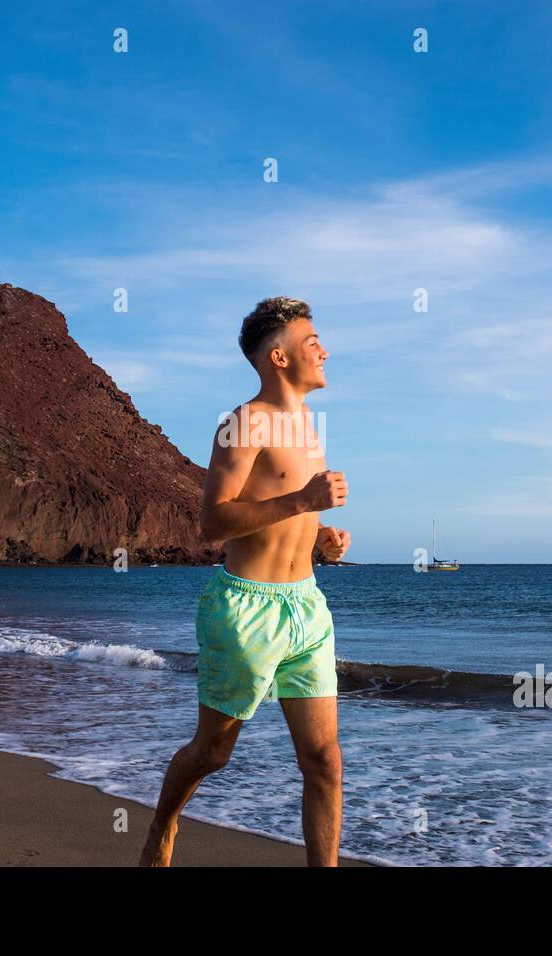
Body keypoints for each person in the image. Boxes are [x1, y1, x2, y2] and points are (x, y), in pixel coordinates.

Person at [138, 297, 351, 867]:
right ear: (279, 357)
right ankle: (163, 826)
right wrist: (304, 498)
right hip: (245, 608)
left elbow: (283, 515)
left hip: (307, 607)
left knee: (325, 762)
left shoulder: (308, 423)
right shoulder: (244, 422)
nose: (324, 350)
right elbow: (213, 523)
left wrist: (319, 538)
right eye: (312, 342)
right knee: (212, 753)